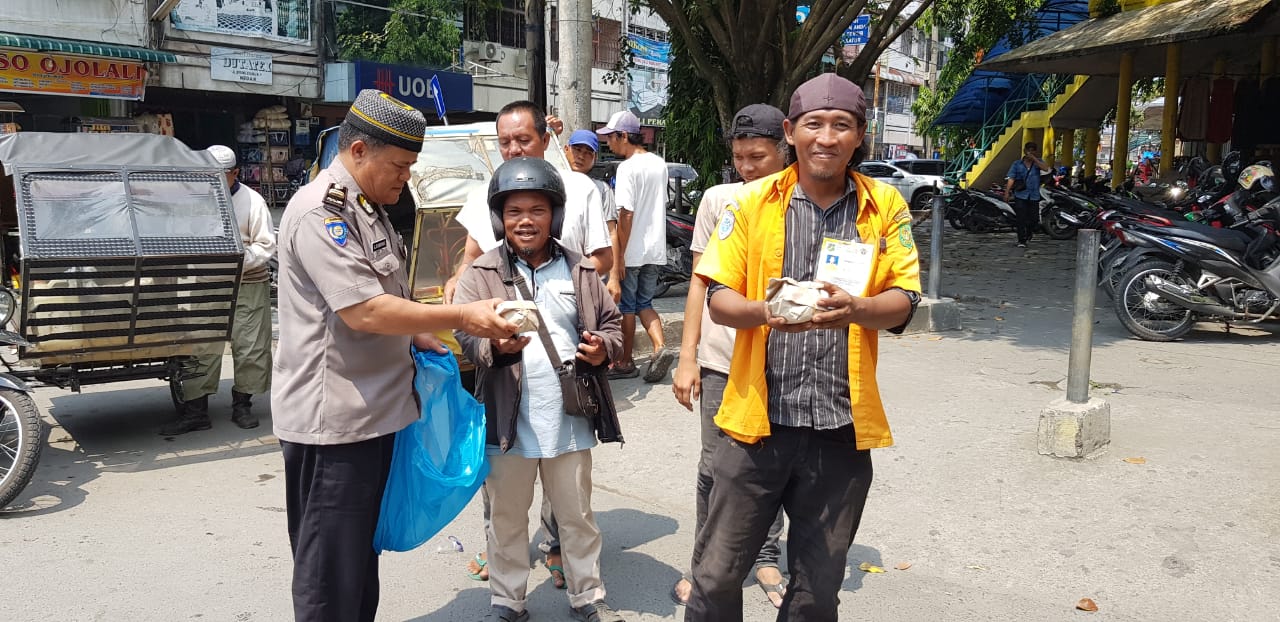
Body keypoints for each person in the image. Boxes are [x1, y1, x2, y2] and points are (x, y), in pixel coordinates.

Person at [272, 89, 519, 622]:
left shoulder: (370, 207)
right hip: (332, 423)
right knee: (328, 572)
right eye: (401, 167)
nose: (405, 179)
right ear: (358, 149)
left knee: (359, 561)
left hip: (372, 415)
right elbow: (364, 311)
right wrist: (461, 318)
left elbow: (388, 296)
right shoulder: (322, 212)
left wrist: (415, 335)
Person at [686, 73, 921, 621]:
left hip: (839, 431)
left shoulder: (884, 206)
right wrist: (767, 313)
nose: (827, 137)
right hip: (756, 425)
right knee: (717, 574)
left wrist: (858, 309)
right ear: (791, 132)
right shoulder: (750, 204)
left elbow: (907, 298)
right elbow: (719, 297)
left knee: (817, 592)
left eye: (842, 125)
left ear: (860, 135)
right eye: (814, 124)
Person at [446, 102, 612, 587]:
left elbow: (608, 309)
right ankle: (508, 595)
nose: (524, 219)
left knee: (576, 514)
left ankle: (585, 592)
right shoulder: (486, 259)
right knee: (505, 515)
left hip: (566, 409)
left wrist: (598, 339)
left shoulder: (580, 237)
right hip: (508, 415)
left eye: (536, 211)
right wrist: (488, 341)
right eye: (513, 212)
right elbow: (468, 318)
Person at [669, 104, 791, 608]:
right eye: (739, 157)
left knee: (779, 459)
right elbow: (700, 281)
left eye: (758, 156)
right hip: (724, 357)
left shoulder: (802, 202)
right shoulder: (721, 200)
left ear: (785, 147)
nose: (747, 167)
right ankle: (706, 565)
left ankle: (764, 555)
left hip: (784, 357)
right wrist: (687, 356)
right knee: (715, 467)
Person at [160, 144, 276, 435]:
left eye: (219, 174)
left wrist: (237, 260)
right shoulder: (191, 200)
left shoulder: (253, 201)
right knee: (200, 343)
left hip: (247, 282)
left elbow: (265, 245)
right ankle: (196, 411)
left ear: (235, 173)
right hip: (205, 283)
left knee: (250, 345)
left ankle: (243, 405)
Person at [597, 110, 673, 382]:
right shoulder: (658, 164)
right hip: (655, 250)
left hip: (633, 252)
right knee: (645, 303)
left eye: (611, 137)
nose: (609, 143)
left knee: (627, 307)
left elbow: (625, 215)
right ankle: (660, 347)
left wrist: (620, 259)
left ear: (624, 136)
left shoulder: (627, 168)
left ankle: (624, 362)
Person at [564, 129, 621, 299]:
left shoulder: (601, 189)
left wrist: (614, 277)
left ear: (595, 158)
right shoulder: (552, 180)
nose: (581, 156)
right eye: (577, 150)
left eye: (588, 153)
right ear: (566, 149)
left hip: (592, 272)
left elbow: (612, 232)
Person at [1003, 141, 1049, 248]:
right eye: (1029, 150)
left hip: (1034, 195)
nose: (1030, 152)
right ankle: (1021, 240)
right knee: (1021, 218)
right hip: (1021, 194)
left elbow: (1046, 168)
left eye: (1033, 150)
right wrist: (1007, 192)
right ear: (1025, 151)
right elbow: (1011, 178)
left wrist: (1035, 159)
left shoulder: (1038, 163)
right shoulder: (1017, 164)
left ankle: (1029, 233)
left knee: (1034, 218)